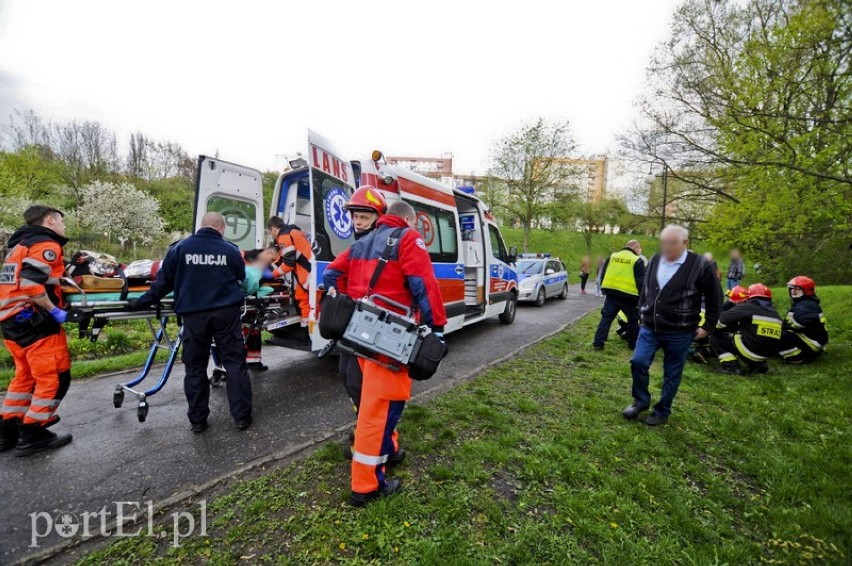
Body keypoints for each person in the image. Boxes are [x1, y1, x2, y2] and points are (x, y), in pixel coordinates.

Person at [324, 200, 447, 506]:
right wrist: (438, 327)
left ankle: (389, 452)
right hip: (389, 342)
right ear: (408, 219)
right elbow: (424, 284)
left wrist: (350, 303)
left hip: (358, 338)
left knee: (373, 405)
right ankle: (366, 486)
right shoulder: (408, 238)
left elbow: (330, 275)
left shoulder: (361, 243)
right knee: (379, 412)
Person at [131, 212, 252, 432]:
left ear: (201, 227)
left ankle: (198, 421)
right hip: (226, 314)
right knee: (235, 364)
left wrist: (142, 302)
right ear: (221, 229)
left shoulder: (180, 248)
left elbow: (163, 283)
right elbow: (241, 278)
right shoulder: (231, 250)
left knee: (195, 367)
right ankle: (242, 417)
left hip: (194, 316)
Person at [623, 225, 722, 426]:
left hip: (680, 331)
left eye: (672, 243)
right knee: (638, 362)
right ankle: (640, 400)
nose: (666, 247)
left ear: (685, 243)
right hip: (650, 327)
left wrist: (708, 326)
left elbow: (715, 297)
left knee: (672, 373)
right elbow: (646, 289)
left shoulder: (700, 265)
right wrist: (641, 309)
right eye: (664, 242)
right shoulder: (655, 260)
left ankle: (662, 411)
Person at [0, 205, 74, 456]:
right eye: (62, 222)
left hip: (11, 321)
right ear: (50, 220)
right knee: (54, 377)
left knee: (25, 377)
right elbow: (32, 284)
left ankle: (7, 429)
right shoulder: (46, 245)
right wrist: (54, 310)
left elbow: (28, 278)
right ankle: (34, 432)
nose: (64, 227)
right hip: (34, 323)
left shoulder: (19, 247)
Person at [328, 186, 394, 461]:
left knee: (362, 383)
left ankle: (372, 439)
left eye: (363, 217)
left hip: (374, 328)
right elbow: (332, 272)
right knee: (347, 374)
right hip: (354, 324)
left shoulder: (387, 246)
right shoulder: (357, 247)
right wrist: (339, 299)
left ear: (378, 218)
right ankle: (375, 434)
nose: (357, 222)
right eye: (355, 217)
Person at [710, 283, 782, 376]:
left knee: (716, 339)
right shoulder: (775, 314)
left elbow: (720, 321)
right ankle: (758, 365)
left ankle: (732, 367)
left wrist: (717, 333)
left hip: (749, 350)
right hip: (766, 355)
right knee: (751, 339)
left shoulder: (748, 307)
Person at [592, 240, 645, 350]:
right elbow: (641, 282)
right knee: (633, 320)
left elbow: (603, 272)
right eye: (639, 248)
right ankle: (633, 345)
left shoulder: (612, 256)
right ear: (635, 248)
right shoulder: (637, 260)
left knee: (606, 318)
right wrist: (642, 298)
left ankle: (598, 343)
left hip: (612, 294)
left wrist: (603, 288)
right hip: (629, 296)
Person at [267, 217, 313, 325]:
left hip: (308, 275)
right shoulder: (295, 232)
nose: (272, 236)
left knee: (303, 300)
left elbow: (288, 264)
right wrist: (269, 267)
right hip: (313, 272)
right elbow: (283, 257)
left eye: (270, 233)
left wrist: (272, 275)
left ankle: (308, 332)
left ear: (273, 229)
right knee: (311, 303)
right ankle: (312, 331)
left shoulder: (284, 237)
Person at [241, 246, 278, 370]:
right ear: (267, 253)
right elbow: (254, 285)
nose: (271, 261)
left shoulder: (251, 259)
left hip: (244, 300)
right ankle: (247, 363)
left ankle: (253, 361)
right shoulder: (249, 260)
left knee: (252, 330)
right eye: (271, 258)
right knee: (250, 331)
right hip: (248, 298)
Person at [691, 285, 748, 364]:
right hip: (709, 332)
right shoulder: (731, 308)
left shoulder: (697, 302)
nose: (737, 303)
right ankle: (703, 351)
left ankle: (701, 351)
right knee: (719, 343)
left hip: (697, 331)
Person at [779, 276, 829, 364]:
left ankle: (796, 358)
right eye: (791, 288)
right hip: (814, 340)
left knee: (778, 335)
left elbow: (799, 323)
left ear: (807, 290)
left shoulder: (807, 305)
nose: (793, 291)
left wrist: (783, 326)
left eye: (797, 288)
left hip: (811, 342)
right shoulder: (806, 302)